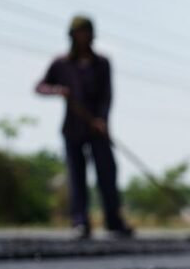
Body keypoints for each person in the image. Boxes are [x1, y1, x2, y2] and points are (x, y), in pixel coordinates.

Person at [35, 15, 132, 240]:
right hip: (73, 128)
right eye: (79, 33)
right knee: (76, 176)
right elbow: (40, 86)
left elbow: (107, 95)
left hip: (97, 128)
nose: (83, 37)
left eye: (86, 32)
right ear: (72, 35)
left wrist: (102, 119)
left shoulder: (102, 63)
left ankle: (114, 220)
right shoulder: (61, 64)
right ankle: (80, 222)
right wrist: (57, 90)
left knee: (107, 173)